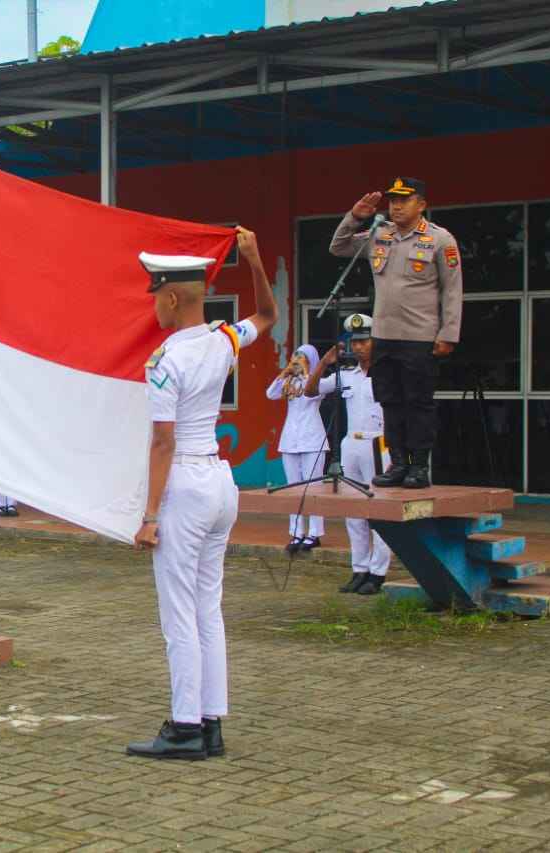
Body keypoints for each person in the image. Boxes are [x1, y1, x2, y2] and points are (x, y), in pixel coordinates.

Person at [127, 227, 276, 761]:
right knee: (207, 607)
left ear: (171, 297)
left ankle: (185, 725)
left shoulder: (166, 360)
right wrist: (254, 260)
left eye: (156, 297)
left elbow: (162, 440)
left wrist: (148, 516)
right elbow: (267, 316)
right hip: (220, 480)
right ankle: (211, 721)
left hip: (186, 484)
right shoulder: (222, 339)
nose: (155, 307)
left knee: (179, 613)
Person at [330, 177, 463, 489]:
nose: (396, 206)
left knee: (418, 402)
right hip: (384, 336)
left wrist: (448, 333)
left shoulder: (440, 240)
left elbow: (453, 291)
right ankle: (398, 463)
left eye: (405, 200)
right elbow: (338, 247)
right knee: (390, 401)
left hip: (420, 336)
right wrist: (356, 216)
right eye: (393, 201)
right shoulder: (380, 234)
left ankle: (419, 466)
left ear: (422, 205)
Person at [306, 314, 393, 596]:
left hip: (378, 445)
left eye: (364, 341)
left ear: (375, 342)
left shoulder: (386, 374)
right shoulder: (346, 375)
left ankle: (378, 573)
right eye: (355, 342)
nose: (358, 347)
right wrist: (324, 363)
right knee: (353, 512)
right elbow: (310, 391)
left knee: (379, 512)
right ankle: (360, 569)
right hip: (351, 445)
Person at [265, 344, 327, 552]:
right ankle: (296, 533)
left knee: (313, 488)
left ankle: (314, 533)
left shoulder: (316, 382)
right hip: (290, 440)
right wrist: (285, 372)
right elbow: (270, 394)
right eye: (296, 356)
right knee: (293, 488)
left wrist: (309, 372)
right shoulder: (289, 381)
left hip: (312, 439)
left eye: (302, 357)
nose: (298, 360)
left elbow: (313, 393)